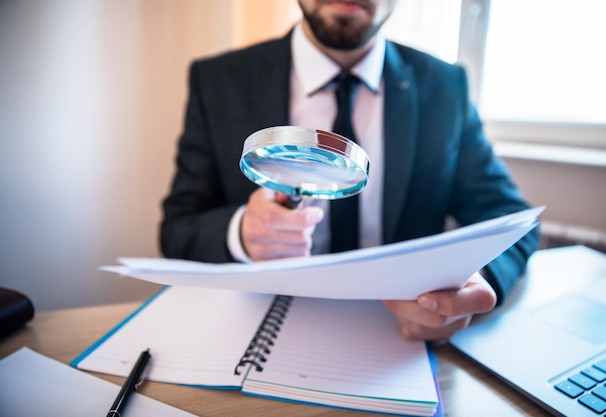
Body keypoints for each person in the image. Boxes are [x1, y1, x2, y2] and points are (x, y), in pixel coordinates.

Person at [160, 0, 539, 341]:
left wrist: (470, 285)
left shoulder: (445, 87)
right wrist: (242, 234)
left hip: (399, 342)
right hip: (257, 331)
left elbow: (511, 220)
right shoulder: (218, 81)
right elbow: (177, 227)